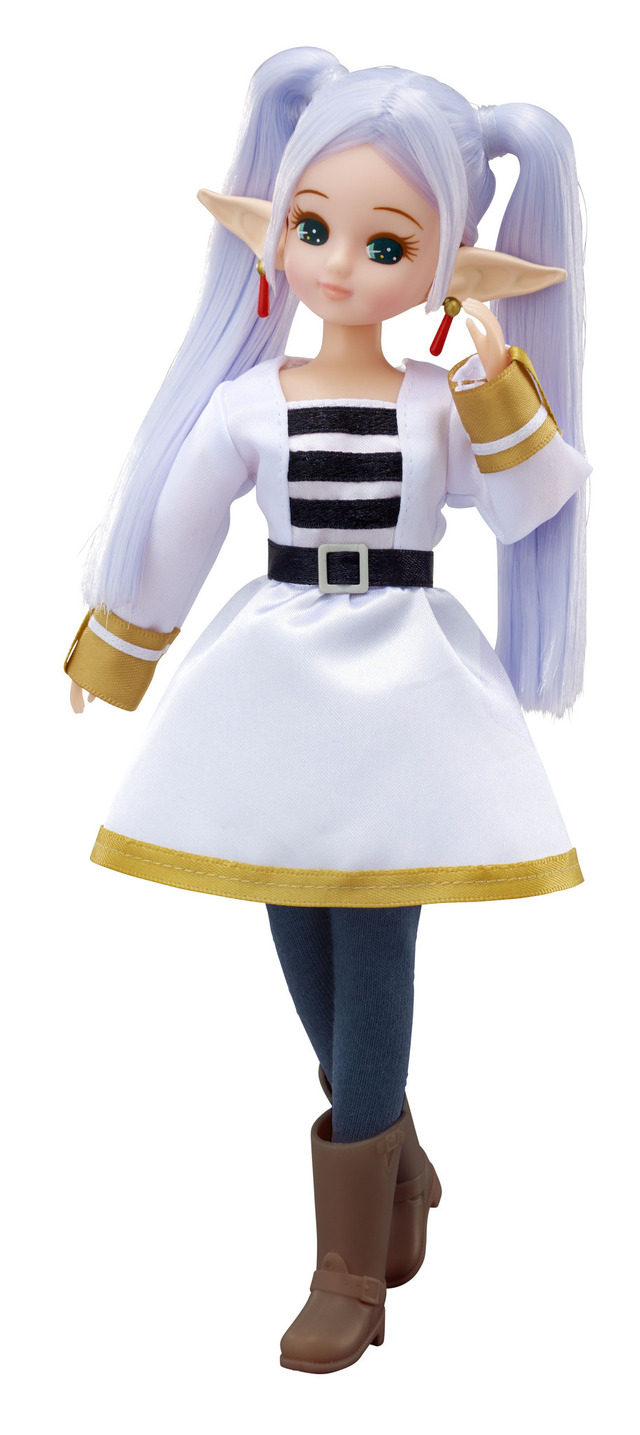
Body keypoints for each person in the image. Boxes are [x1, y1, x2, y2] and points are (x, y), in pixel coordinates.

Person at [65, 49, 590, 1374]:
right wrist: (116, 651)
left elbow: (528, 506)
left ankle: (348, 1263)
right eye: (315, 228)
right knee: (294, 911)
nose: (342, 264)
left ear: (448, 263)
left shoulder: (437, 406)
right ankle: (390, 1144)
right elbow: (178, 532)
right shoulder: (247, 403)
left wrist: (493, 383)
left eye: (385, 243)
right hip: (276, 674)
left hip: (406, 681)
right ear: (277, 230)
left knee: (376, 934)